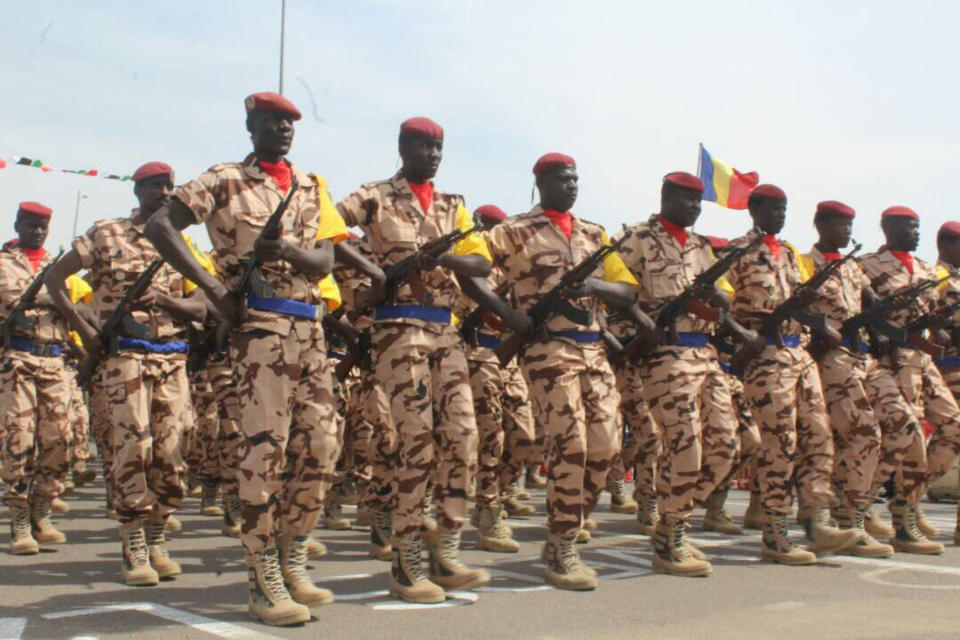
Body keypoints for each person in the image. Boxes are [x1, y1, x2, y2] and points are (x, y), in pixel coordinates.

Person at [144, 92, 346, 627]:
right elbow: (161, 226)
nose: (282, 129)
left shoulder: (310, 185)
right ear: (251, 124)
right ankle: (262, 574)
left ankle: (292, 552)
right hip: (258, 330)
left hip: (309, 329)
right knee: (265, 452)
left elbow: (328, 254)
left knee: (323, 445)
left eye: (289, 122)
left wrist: (291, 254)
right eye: (271, 121)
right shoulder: (224, 179)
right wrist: (214, 288)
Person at [336, 116, 492, 604]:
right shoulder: (374, 196)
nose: (433, 154)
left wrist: (440, 260)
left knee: (464, 435)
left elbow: (482, 263)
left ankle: (446, 546)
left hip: (444, 329)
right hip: (398, 329)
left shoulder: (454, 206)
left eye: (439, 147)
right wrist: (374, 273)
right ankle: (407, 560)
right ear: (403, 146)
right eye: (424, 145)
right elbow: (325, 231)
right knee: (416, 440)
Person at [481, 152, 638, 590]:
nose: (571, 186)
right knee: (569, 446)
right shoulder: (513, 231)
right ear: (541, 182)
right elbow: (470, 266)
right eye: (562, 179)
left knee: (606, 450)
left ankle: (569, 525)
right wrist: (505, 314)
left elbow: (626, 290)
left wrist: (592, 286)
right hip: (548, 351)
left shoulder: (594, 233)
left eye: (575, 180)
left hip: (594, 352)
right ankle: (563, 542)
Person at [47, 162, 208, 585]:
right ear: (137, 191)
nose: (165, 192)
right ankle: (135, 543)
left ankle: (158, 536)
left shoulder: (184, 245)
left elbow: (203, 308)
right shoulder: (106, 233)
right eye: (156, 186)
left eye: (170, 187)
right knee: (131, 452)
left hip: (172, 360)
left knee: (173, 451)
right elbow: (55, 277)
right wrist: (84, 330)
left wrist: (166, 301)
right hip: (124, 361)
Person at [611, 172, 755, 576]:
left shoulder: (701, 248)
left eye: (699, 201)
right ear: (666, 196)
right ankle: (671, 536)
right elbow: (617, 294)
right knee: (685, 444)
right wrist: (643, 326)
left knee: (727, 446)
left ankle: (673, 520)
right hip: (664, 355)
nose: (695, 207)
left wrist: (715, 296)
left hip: (705, 354)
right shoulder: (636, 239)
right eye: (688, 199)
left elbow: (727, 296)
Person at [725, 184, 860, 565]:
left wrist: (816, 322)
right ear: (754, 209)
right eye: (773, 208)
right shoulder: (736, 252)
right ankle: (775, 530)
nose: (780, 215)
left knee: (819, 437)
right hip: (765, 357)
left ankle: (817, 523)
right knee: (779, 445)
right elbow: (716, 307)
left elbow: (801, 304)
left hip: (798, 356)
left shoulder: (788, 255)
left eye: (784, 209)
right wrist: (744, 339)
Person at [859, 207, 960, 554]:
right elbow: (861, 315)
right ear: (886, 227)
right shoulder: (868, 265)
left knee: (954, 426)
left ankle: (907, 501)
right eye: (907, 226)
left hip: (922, 358)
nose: (914, 231)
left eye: (917, 226)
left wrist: (940, 328)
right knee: (904, 436)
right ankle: (866, 503)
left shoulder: (926, 270)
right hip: (891, 360)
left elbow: (930, 317)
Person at [800, 201, 893, 558]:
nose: (846, 231)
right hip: (831, 357)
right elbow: (794, 307)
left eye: (850, 225)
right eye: (840, 224)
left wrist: (881, 325)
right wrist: (821, 328)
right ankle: (848, 520)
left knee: (891, 428)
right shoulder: (807, 264)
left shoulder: (852, 266)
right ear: (819, 224)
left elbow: (870, 302)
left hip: (861, 355)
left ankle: (842, 509)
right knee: (863, 433)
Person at [454, 204, 536, 553]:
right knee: (489, 436)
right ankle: (488, 512)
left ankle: (499, 493)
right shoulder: (469, 266)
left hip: (508, 358)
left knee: (523, 436)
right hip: (473, 354)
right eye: (489, 228)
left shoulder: (514, 271)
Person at [0, 202, 74, 554]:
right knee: (18, 441)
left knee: (59, 439)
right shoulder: (2, 263)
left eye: (42, 227)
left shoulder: (58, 266)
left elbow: (72, 308)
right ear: (18, 224)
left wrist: (48, 299)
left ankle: (41, 511)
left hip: (54, 361)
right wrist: (49, 300)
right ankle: (18, 521)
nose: (37, 231)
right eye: (31, 225)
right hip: (17, 359)